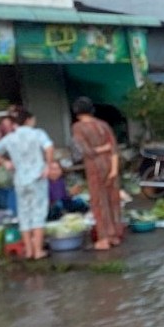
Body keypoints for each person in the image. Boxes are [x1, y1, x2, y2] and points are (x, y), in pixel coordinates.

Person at [0, 108, 54, 260]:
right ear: (29, 120)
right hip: (37, 179)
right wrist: (47, 166)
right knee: (38, 213)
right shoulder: (38, 134)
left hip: (20, 180)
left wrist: (5, 162)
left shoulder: (10, 138)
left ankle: (29, 251)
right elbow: (49, 147)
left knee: (24, 215)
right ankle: (38, 251)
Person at [71, 97, 125, 249]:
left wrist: (99, 149)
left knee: (99, 202)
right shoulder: (103, 124)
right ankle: (115, 235)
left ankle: (104, 238)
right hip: (110, 164)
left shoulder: (78, 128)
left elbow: (84, 150)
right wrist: (114, 169)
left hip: (94, 167)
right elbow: (114, 147)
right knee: (113, 199)